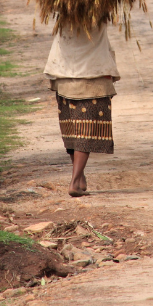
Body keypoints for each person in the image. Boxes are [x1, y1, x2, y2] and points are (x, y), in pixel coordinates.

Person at [45, 23, 120, 197]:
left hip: (65, 78)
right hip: (92, 80)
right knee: (85, 133)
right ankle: (74, 182)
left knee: (73, 131)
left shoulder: (63, 15)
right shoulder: (98, 17)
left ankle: (80, 178)